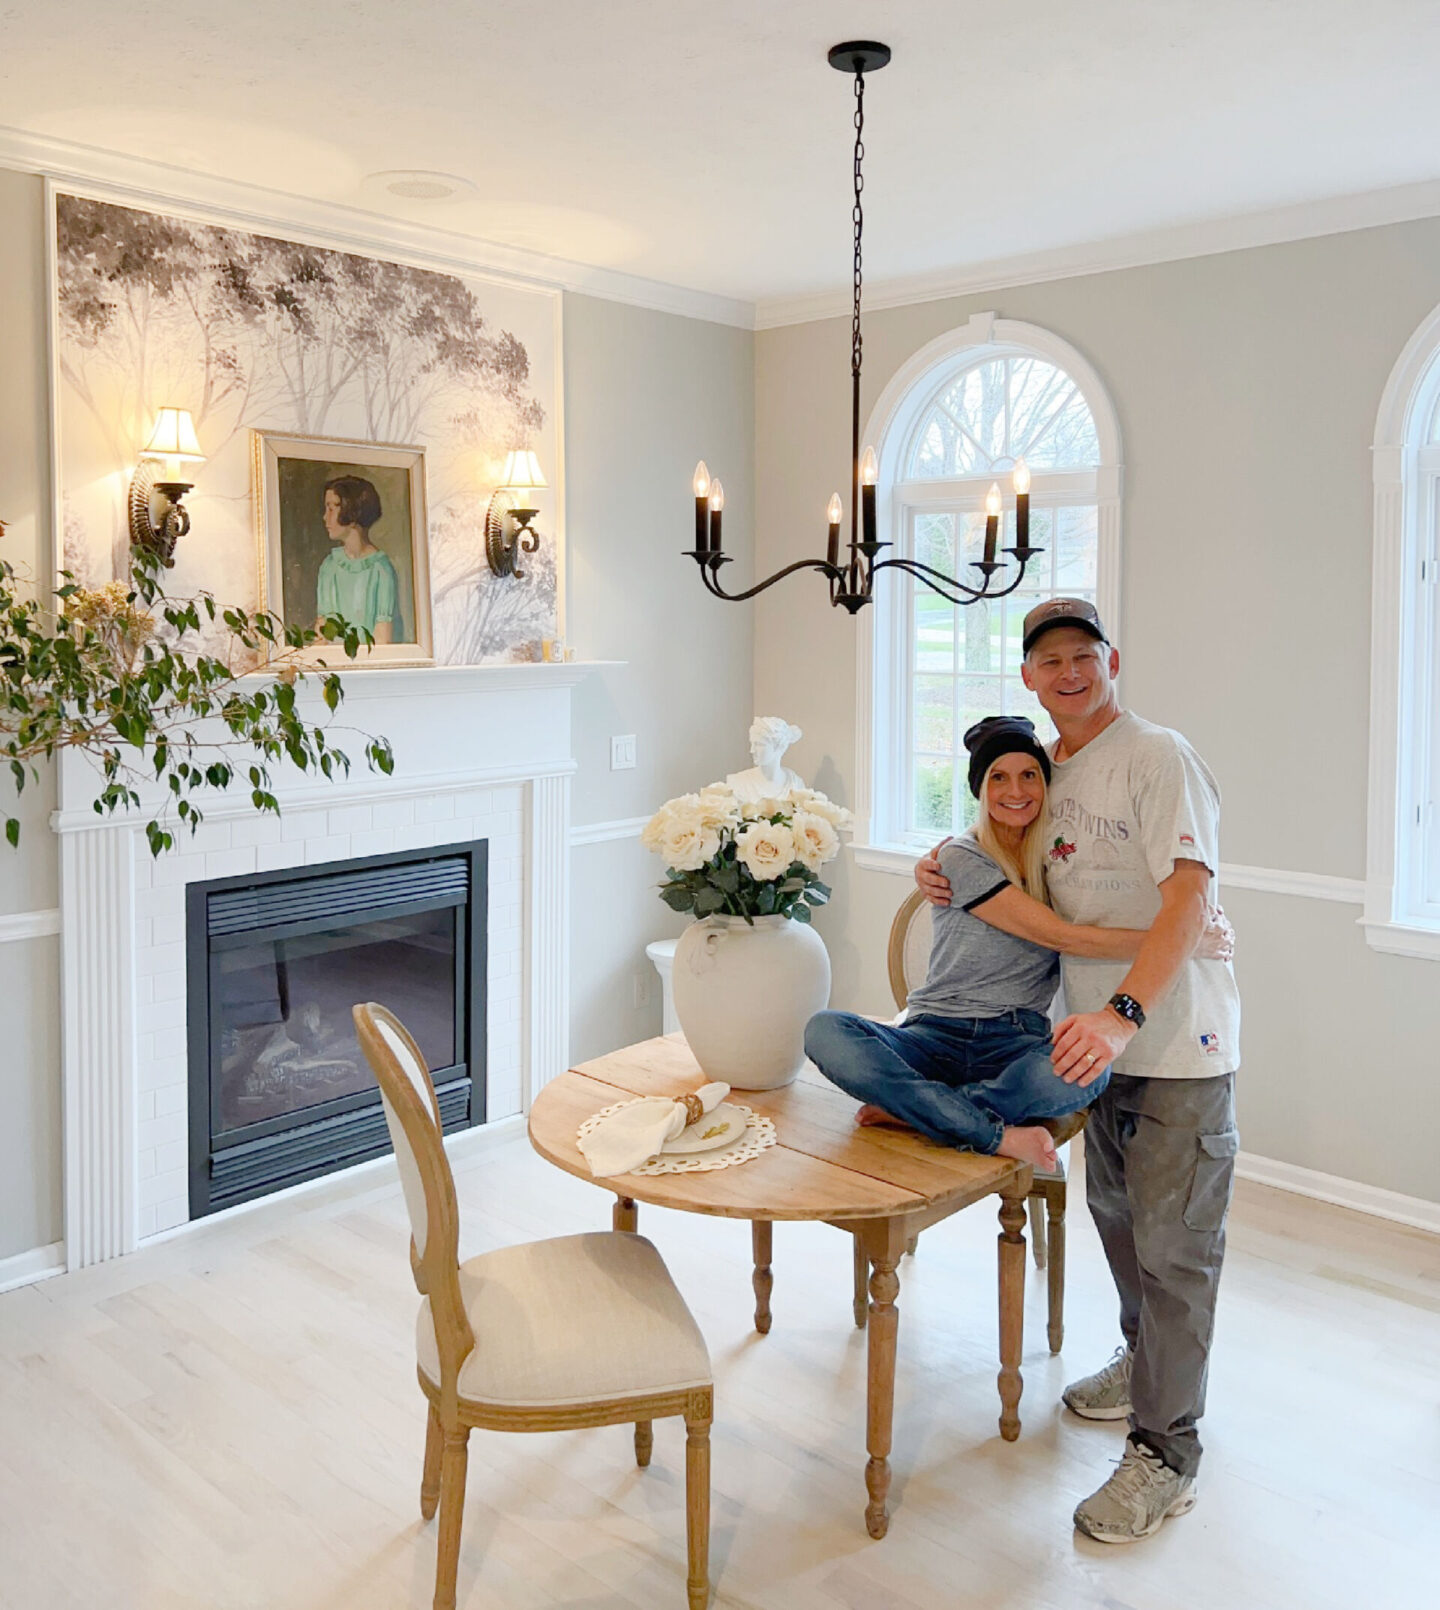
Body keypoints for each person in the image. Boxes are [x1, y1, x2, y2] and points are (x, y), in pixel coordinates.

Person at [915, 596, 1241, 1545]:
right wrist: (933, 871)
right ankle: (1145, 1363)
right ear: (1028, 677)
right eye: (1048, 659)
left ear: (1111, 661)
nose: (1068, 671)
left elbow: (1189, 895)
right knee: (1119, 1221)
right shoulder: (1050, 774)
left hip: (1172, 1039)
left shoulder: (1158, 755)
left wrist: (1124, 1009)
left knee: (1178, 1247)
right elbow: (1007, 854)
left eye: (1083, 655)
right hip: (1087, 1046)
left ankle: (1166, 1451)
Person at [805, 716, 1231, 1174]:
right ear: (981, 789)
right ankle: (994, 1134)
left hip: (1015, 1041)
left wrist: (1185, 930)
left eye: (1029, 775)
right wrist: (1183, 940)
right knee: (825, 1030)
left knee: (1088, 1070)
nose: (1016, 791)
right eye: (998, 778)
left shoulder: (1059, 863)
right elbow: (1059, 936)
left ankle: (921, 1111)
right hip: (934, 1033)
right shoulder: (960, 857)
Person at [315, 476, 401, 644]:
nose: (325, 517)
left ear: (351, 512)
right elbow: (322, 633)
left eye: (331, 508)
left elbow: (382, 639)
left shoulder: (380, 569)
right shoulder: (329, 566)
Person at [725, 715, 805, 803]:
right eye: (752, 744)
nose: (752, 750)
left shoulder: (795, 784)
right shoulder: (739, 782)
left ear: (779, 747)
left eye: (759, 744)